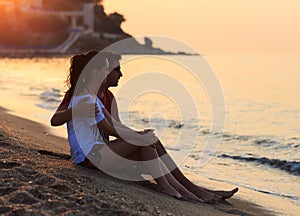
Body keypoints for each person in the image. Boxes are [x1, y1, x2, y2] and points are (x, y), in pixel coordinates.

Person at [51, 50, 238, 203]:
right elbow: (106, 128)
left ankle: (187, 189)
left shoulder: (103, 98)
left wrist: (140, 135)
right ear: (96, 72)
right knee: (146, 144)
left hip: (100, 153)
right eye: (111, 69)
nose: (118, 74)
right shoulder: (82, 97)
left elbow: (115, 126)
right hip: (92, 156)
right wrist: (74, 111)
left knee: (149, 146)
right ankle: (178, 189)